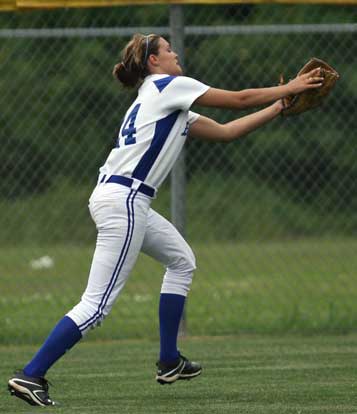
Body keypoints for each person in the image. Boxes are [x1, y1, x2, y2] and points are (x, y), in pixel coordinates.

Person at [8, 33, 323, 407]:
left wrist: (277, 107)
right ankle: (31, 374)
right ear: (153, 62)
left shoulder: (168, 103)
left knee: (181, 260)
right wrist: (291, 86)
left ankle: (170, 361)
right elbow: (237, 99)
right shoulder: (167, 86)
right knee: (96, 305)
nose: (175, 53)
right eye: (167, 49)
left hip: (126, 199)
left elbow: (225, 132)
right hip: (124, 199)